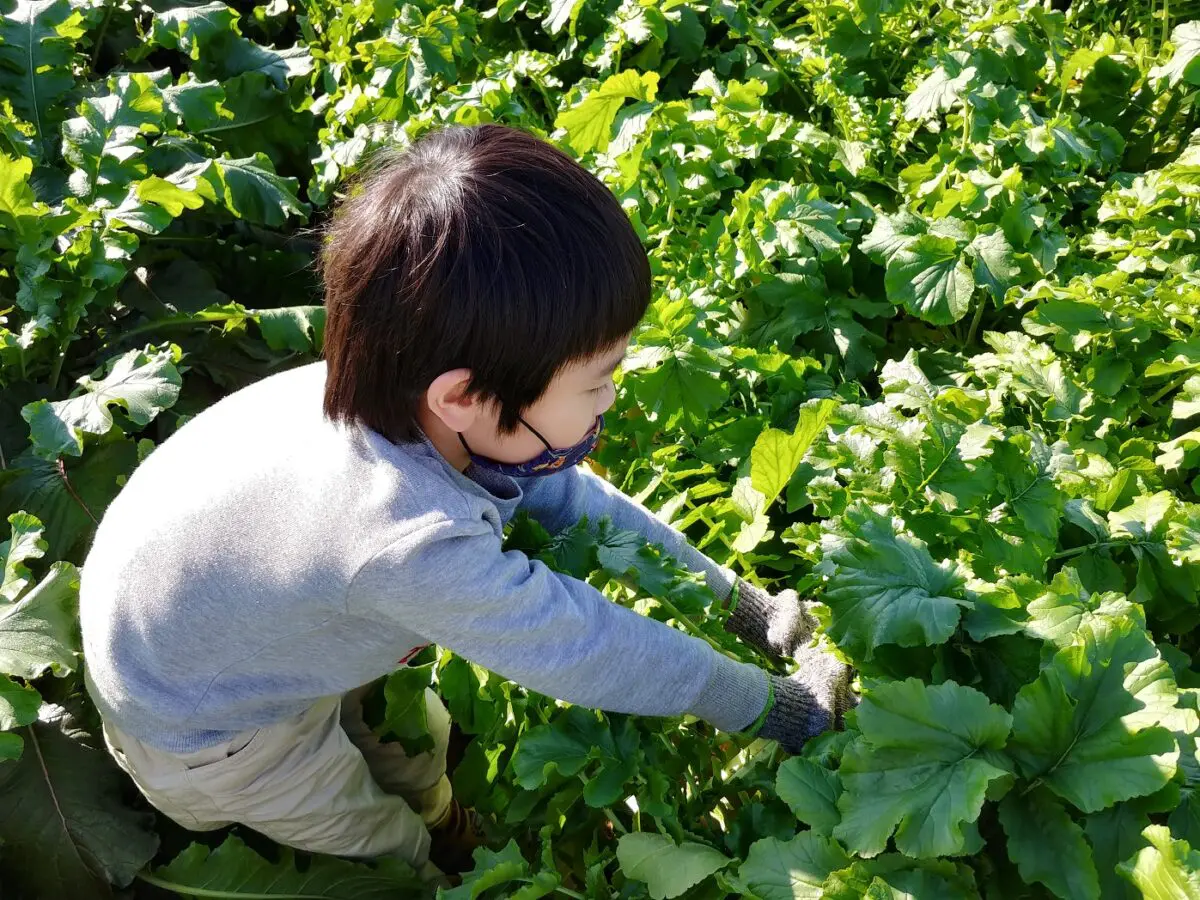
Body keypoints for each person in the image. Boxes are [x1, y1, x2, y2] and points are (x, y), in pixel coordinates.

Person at [79, 123, 855, 883]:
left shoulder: (408, 386)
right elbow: (583, 645)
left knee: (413, 756)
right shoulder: (403, 535)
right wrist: (778, 710)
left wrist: (753, 611)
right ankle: (435, 866)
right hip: (203, 725)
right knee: (373, 833)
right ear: (462, 397)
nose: (610, 398)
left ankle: (441, 815)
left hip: (234, 624)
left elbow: (575, 502)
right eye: (596, 382)